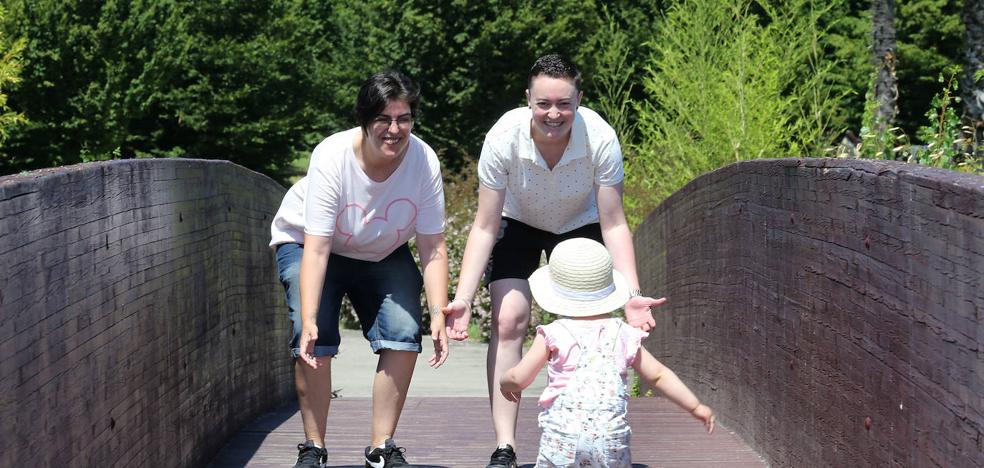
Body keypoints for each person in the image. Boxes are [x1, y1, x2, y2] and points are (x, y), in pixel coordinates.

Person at [441, 54, 666, 467]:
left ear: (579, 100)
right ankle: (505, 445)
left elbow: (614, 223)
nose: (553, 113)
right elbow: (485, 226)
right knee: (509, 319)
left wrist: (631, 294)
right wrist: (463, 297)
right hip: (518, 221)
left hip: (580, 225)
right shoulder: (502, 138)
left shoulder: (600, 137)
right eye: (543, 103)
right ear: (528, 99)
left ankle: (584, 432)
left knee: (590, 327)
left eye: (564, 103)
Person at [270, 70, 449, 468]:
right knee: (312, 333)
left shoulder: (423, 160)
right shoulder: (332, 156)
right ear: (364, 120)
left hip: (382, 248)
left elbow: (433, 243)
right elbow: (317, 248)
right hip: (310, 243)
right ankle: (314, 448)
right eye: (384, 119)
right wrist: (312, 316)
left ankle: (381, 447)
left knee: (404, 331)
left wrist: (439, 310)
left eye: (403, 118)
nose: (394, 129)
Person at [500, 238, 715, 467]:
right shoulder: (623, 333)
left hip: (563, 439)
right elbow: (658, 375)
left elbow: (519, 378)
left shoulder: (553, 333)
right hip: (611, 438)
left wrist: (505, 382)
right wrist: (695, 406)